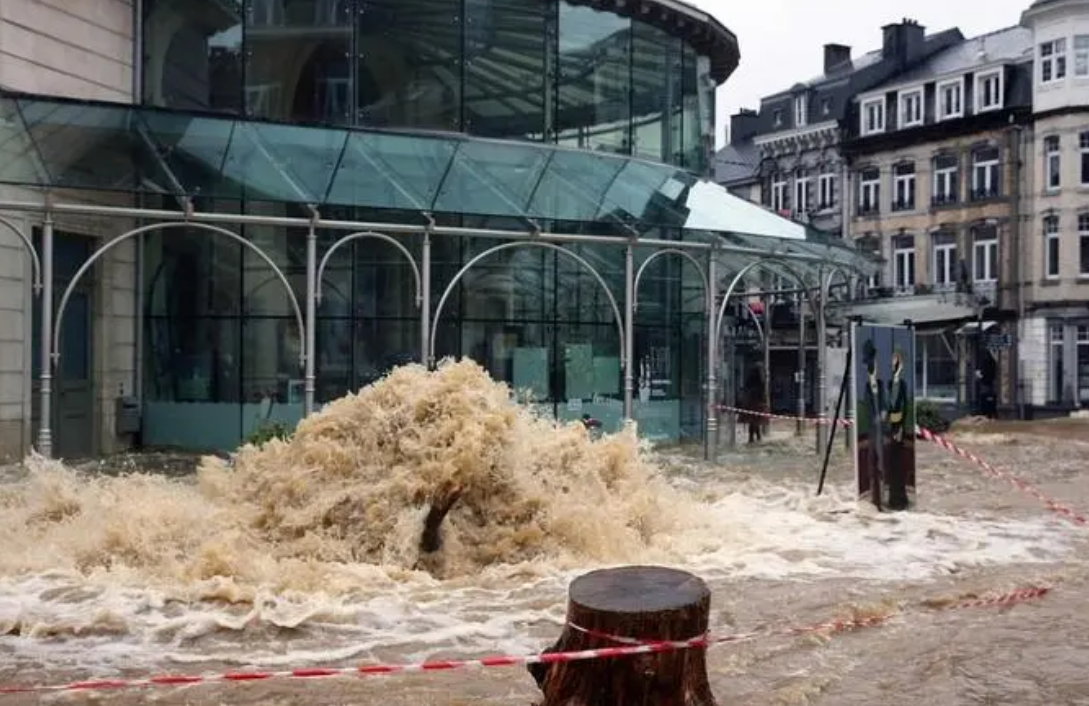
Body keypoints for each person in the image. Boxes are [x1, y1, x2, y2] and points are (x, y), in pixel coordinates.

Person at [860, 338, 886, 510]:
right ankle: (874, 497)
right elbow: (865, 404)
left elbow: (883, 402)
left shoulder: (881, 384)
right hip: (871, 427)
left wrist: (883, 412)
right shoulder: (866, 384)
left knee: (881, 458)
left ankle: (881, 494)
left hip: (881, 427)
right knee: (872, 458)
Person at [885, 348, 910, 511]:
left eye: (895, 360)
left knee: (898, 463)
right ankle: (893, 496)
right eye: (892, 360)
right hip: (890, 426)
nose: (892, 362)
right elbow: (889, 404)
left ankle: (900, 498)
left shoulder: (901, 383)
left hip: (898, 426)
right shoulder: (889, 382)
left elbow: (902, 405)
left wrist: (901, 427)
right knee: (891, 463)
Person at [740, 366, 767, 444]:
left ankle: (753, 437)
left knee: (753, 421)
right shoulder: (761, 382)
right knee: (755, 420)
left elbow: (746, 391)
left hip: (750, 403)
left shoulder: (749, 380)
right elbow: (763, 394)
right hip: (757, 403)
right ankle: (755, 437)